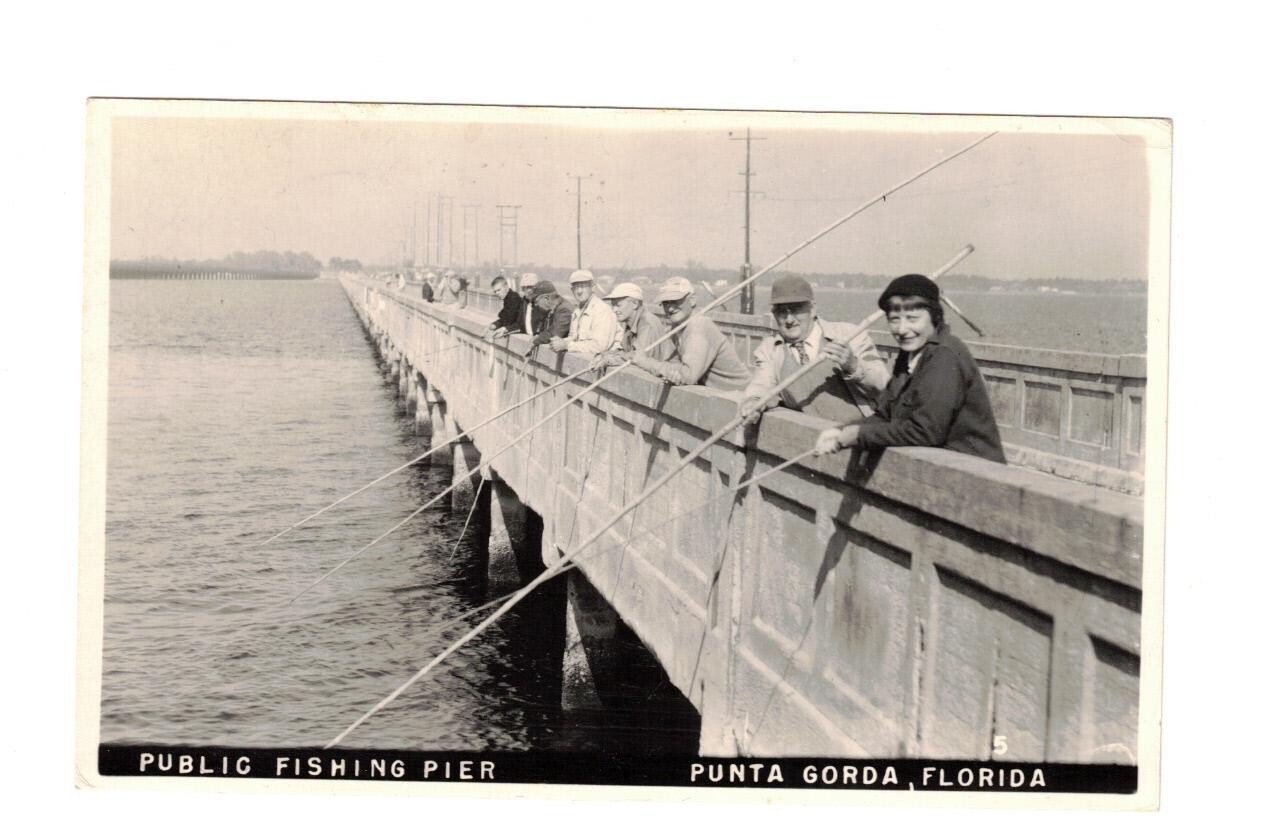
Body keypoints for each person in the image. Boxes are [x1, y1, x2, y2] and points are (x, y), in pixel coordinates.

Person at [814, 274, 1006, 463]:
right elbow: (885, 414)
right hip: (939, 465)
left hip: (974, 470)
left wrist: (859, 435)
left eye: (913, 318)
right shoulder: (910, 354)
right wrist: (840, 431)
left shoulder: (945, 355)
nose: (902, 329)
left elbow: (926, 431)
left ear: (934, 317)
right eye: (894, 319)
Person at [738, 274, 888, 425]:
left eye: (796, 310)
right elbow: (762, 383)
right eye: (782, 312)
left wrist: (854, 367)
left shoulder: (850, 335)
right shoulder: (770, 349)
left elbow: (885, 386)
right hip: (811, 438)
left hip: (861, 434)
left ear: (813, 309)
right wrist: (754, 402)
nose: (789, 320)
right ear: (774, 315)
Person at [628, 277, 751, 392]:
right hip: (718, 394)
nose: (670, 308)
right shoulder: (678, 327)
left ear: (692, 300)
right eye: (666, 303)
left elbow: (688, 375)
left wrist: (645, 362)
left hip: (741, 396)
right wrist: (672, 371)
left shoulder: (698, 326)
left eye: (675, 301)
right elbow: (674, 365)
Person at [589, 281, 670, 371]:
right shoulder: (630, 323)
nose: (614, 310)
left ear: (635, 304)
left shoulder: (646, 324)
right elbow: (625, 352)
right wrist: (604, 355)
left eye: (618, 305)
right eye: (613, 305)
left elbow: (638, 358)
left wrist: (608, 360)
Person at [549, 269, 619, 356]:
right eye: (575, 287)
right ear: (572, 289)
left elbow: (599, 346)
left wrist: (567, 345)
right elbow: (575, 338)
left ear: (593, 287)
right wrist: (562, 341)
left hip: (604, 364)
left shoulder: (602, 310)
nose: (579, 291)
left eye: (583, 286)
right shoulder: (577, 311)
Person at [529, 281, 575, 352]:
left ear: (546, 298)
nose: (536, 305)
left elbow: (554, 333)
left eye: (537, 301)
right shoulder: (553, 308)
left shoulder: (565, 309)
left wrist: (535, 341)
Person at [484, 274, 524, 340]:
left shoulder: (514, 298)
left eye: (499, 290)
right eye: (495, 291)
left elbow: (509, 320)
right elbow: (505, 318)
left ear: (506, 287)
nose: (497, 293)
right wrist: (493, 325)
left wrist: (501, 328)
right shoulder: (508, 298)